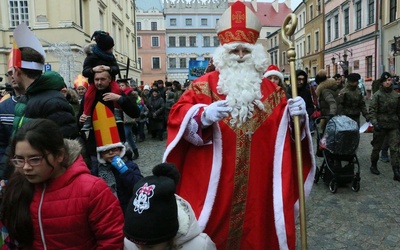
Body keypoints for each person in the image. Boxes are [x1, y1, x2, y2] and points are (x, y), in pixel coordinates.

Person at [162, 2, 315, 249]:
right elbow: (175, 117)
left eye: (245, 50)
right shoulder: (202, 86)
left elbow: (288, 144)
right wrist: (201, 116)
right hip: (216, 187)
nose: (241, 56)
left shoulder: (275, 93)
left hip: (260, 186)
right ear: (224, 52)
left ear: (255, 51)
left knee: (258, 234)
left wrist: (298, 119)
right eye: (235, 51)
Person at [0, 119, 124, 249]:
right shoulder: (16, 187)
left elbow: (113, 239)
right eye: (19, 159)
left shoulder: (92, 190)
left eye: (35, 159)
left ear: (59, 155)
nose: (26, 167)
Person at [0, 23, 79, 181]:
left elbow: (66, 152)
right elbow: (13, 145)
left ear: (17, 71)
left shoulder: (54, 102)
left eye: (11, 72)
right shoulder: (23, 99)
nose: (10, 77)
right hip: (24, 182)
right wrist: (4, 177)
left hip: (45, 183)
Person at [123, 163, 216, 250]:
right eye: (136, 245)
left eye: (150, 247)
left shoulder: (200, 246)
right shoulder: (130, 240)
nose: (139, 248)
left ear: (169, 236)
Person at [78, 70, 140, 169]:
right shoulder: (88, 97)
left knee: (122, 175)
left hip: (117, 144)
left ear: (109, 80)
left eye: (102, 79)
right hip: (96, 147)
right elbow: (80, 121)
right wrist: (81, 120)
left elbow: (135, 113)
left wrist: (120, 99)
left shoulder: (117, 93)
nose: (99, 82)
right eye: (96, 79)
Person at [93, 109, 143, 212]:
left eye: (114, 150)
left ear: (120, 150)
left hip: (128, 208)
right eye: (107, 151)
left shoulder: (130, 165)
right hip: (110, 210)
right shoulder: (98, 170)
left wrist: (125, 171)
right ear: (101, 154)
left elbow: (139, 186)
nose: (111, 153)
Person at [81, 30, 123, 130]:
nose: (112, 49)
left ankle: (117, 111)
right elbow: (84, 72)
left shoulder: (111, 57)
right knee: (88, 96)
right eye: (110, 47)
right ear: (104, 48)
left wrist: (109, 68)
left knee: (117, 91)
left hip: (110, 80)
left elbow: (116, 69)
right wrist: (93, 70)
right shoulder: (91, 57)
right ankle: (87, 117)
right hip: (94, 82)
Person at [369, 72, 400, 180]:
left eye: (390, 80)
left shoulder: (395, 95)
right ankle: (373, 165)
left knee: (395, 148)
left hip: (393, 125)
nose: (388, 82)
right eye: (386, 80)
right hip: (380, 125)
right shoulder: (377, 95)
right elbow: (372, 110)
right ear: (382, 82)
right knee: (377, 147)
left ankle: (396, 170)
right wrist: (375, 123)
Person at [119, 79, 140, 159]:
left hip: (129, 118)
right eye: (120, 86)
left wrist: (134, 117)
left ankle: (124, 153)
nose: (121, 87)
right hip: (123, 117)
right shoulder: (121, 94)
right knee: (129, 136)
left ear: (127, 86)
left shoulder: (131, 94)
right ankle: (135, 151)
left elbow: (133, 108)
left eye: (122, 85)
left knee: (125, 135)